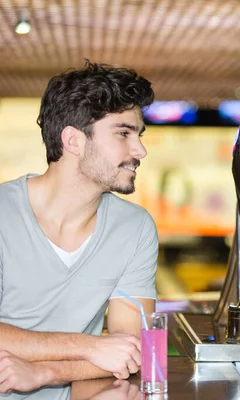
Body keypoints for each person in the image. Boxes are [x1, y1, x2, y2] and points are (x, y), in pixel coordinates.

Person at [0, 61, 158, 397]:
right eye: (123, 133)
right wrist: (89, 346)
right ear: (74, 140)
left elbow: (133, 351)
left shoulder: (136, 227)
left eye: (138, 135)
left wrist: (43, 372)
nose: (140, 150)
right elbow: (104, 350)